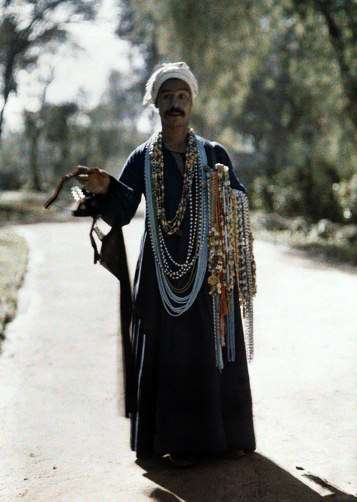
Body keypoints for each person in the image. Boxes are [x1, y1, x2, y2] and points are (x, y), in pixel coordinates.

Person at [77, 62, 256, 466]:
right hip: (160, 277)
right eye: (167, 97)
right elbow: (121, 212)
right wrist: (105, 189)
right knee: (170, 352)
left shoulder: (214, 153)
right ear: (154, 103)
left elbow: (240, 200)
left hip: (208, 275)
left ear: (191, 103)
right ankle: (174, 442)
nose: (175, 104)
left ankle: (225, 437)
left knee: (212, 348)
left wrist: (225, 190)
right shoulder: (142, 157)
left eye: (182, 97)